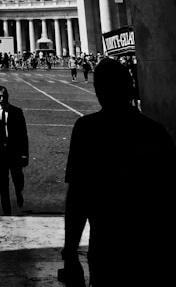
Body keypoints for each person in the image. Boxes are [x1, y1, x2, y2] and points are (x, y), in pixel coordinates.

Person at [62, 57, 176, 287]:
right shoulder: (156, 132)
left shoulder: (87, 130)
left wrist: (71, 251)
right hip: (151, 246)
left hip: (106, 244)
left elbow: (77, 197)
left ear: (98, 92)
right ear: (130, 87)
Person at [0, 85, 29, 215]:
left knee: (18, 179)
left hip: (15, 152)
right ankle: (6, 211)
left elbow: (23, 135)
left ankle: (18, 192)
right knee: (2, 183)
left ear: (8, 96)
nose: (1, 99)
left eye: (3, 96)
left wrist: (24, 155)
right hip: (1, 154)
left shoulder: (17, 112)